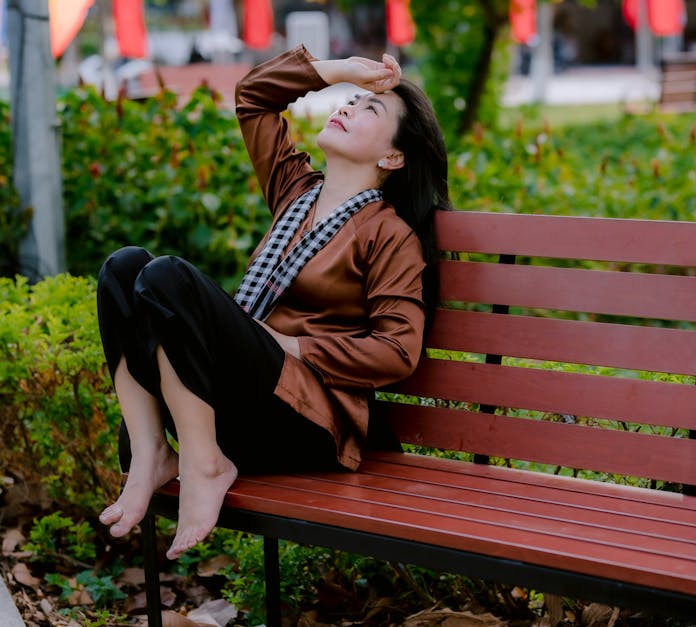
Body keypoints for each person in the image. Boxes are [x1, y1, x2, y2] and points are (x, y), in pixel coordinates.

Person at [95, 45, 451, 560]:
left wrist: (295, 345)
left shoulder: (389, 235)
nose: (347, 106)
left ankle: (205, 462)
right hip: (244, 398)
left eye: (369, 108)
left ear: (393, 157)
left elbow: (398, 352)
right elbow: (254, 98)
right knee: (123, 268)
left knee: (168, 277)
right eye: (347, 100)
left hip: (304, 422)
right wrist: (340, 71)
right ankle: (152, 451)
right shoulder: (295, 192)